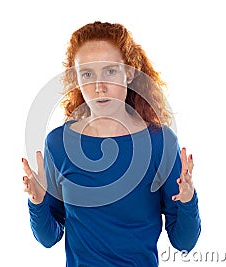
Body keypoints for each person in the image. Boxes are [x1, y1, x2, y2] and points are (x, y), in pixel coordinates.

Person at [22, 21, 201, 266]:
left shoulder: (160, 142)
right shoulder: (59, 144)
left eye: (110, 71)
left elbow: (184, 242)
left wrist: (188, 201)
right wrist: (38, 201)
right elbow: (48, 237)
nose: (99, 86)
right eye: (87, 74)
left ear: (128, 73)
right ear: (76, 79)